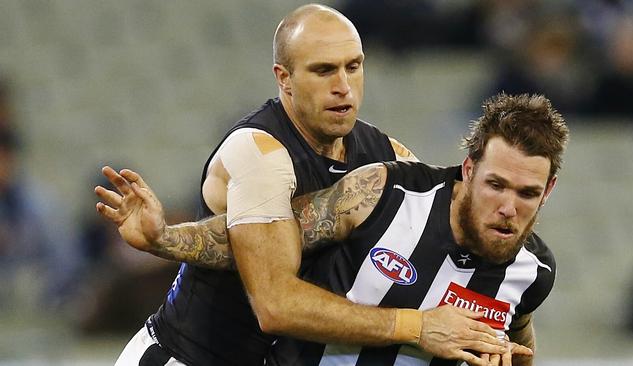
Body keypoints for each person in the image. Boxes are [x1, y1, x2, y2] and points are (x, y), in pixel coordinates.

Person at [96, 4, 513, 366]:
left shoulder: (387, 156)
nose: (343, 86)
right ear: (284, 78)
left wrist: (493, 330)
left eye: (354, 66)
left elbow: (444, 232)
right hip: (188, 358)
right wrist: (417, 326)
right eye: (323, 70)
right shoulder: (260, 153)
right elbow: (275, 305)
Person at [98, 92, 567, 365]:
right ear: (468, 169)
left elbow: (515, 335)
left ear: (547, 192)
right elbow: (258, 240)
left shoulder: (533, 271)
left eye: (526, 193)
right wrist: (165, 239)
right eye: (495, 185)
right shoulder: (386, 193)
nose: (507, 207)